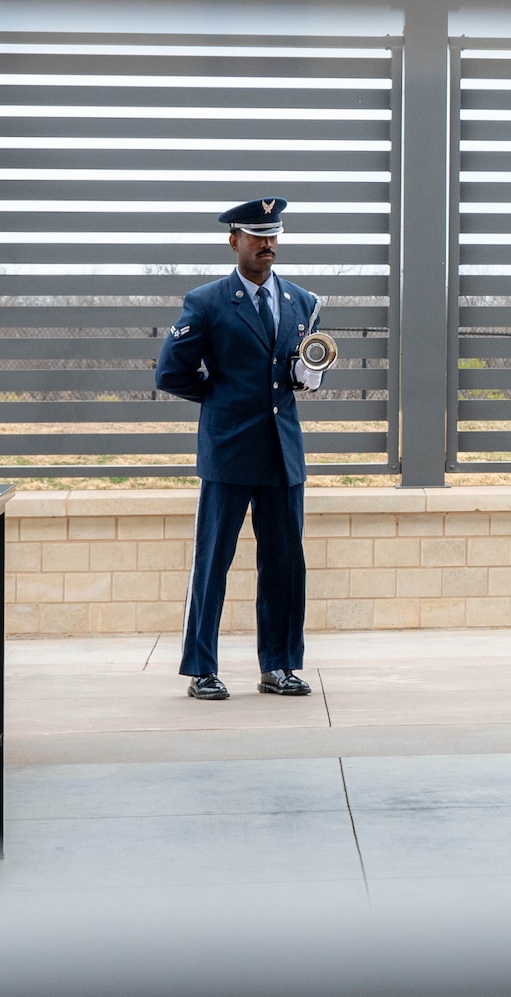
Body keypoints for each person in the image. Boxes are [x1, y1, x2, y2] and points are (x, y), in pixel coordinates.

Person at [154, 197, 326, 700]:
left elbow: (296, 373)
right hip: (228, 450)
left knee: (284, 565)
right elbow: (170, 373)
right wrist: (220, 396)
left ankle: (279, 666)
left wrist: (304, 377)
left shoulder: (301, 301)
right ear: (235, 241)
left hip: (281, 453)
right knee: (212, 564)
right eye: (256, 236)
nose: (267, 244)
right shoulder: (206, 302)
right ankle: (201, 668)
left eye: (273, 234)